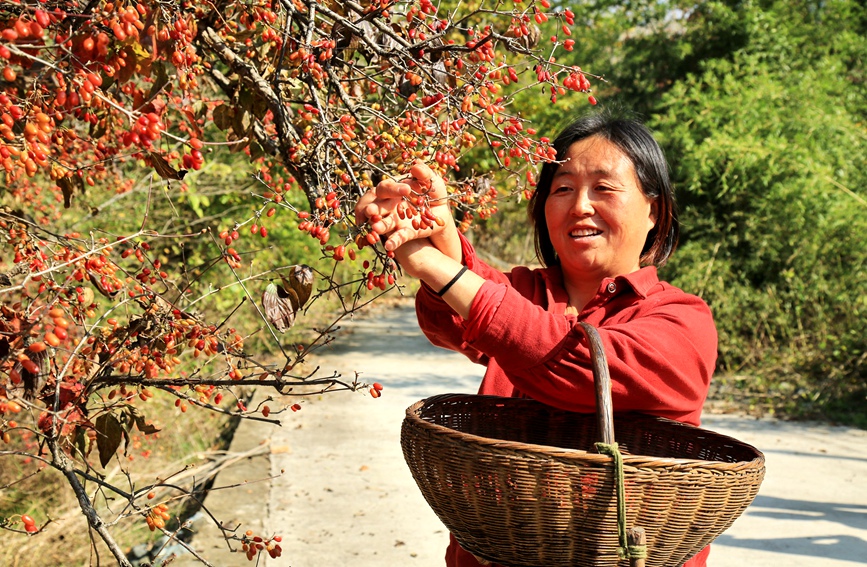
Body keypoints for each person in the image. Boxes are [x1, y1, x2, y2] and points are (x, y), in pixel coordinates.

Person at [355, 111, 717, 567]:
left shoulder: (682, 319)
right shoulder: (525, 292)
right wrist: (434, 234)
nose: (580, 205)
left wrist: (434, 266)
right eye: (562, 189)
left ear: (654, 211)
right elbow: (451, 318)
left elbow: (580, 363)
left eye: (604, 188)